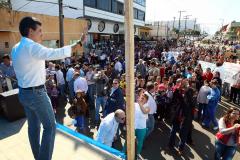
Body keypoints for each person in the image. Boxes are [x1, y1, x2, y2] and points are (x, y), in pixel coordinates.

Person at [11, 17, 85, 160]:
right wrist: (79, 43)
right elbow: (54, 53)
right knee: (50, 127)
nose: (42, 34)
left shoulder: (16, 48)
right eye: (39, 31)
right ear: (30, 31)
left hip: (24, 93)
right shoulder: (31, 47)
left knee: (33, 128)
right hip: (36, 94)